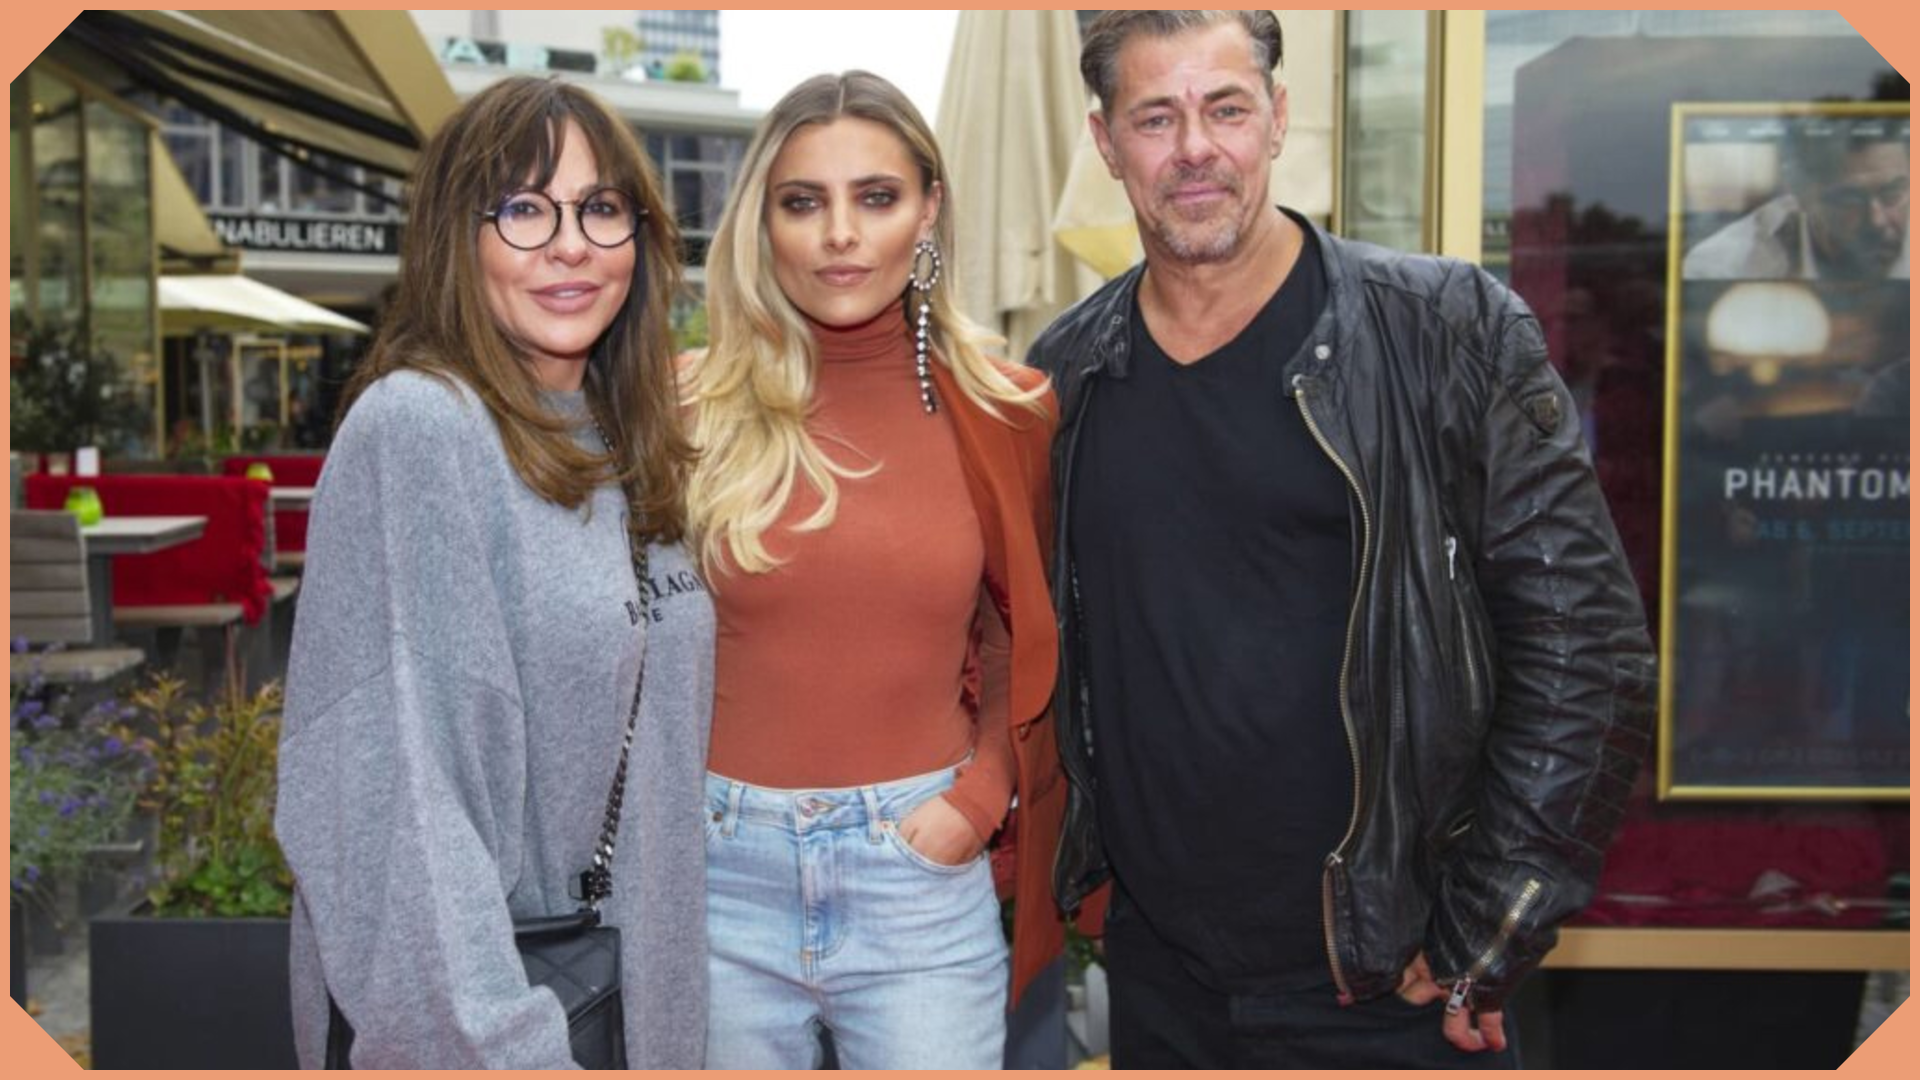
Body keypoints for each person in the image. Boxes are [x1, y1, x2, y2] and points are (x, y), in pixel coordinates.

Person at [1031, 11, 1656, 1070]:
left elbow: (1586, 647)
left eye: (1227, 108)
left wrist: (1490, 923)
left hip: (1393, 986)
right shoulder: (1067, 376)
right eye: (1156, 117)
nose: (1195, 148)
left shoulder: (1445, 330)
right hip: (1162, 985)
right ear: (1106, 142)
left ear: (1278, 119)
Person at [275, 77, 714, 1069]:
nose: (571, 244)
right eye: (523, 209)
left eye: (601, 207)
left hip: (638, 1014)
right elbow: (399, 811)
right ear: (455, 238)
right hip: (494, 1037)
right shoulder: (423, 429)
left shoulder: (624, 436)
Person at [682, 71, 1062, 1069]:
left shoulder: (1010, 411)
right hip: (716, 879)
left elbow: (1022, 637)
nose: (840, 234)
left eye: (877, 197)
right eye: (803, 202)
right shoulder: (683, 408)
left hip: (918, 876)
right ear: (763, 223)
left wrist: (979, 798)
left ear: (928, 209)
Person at [1684, 127, 1910, 280]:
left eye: (1893, 193)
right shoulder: (1724, 266)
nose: (1877, 221)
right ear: (1801, 194)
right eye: (1848, 199)